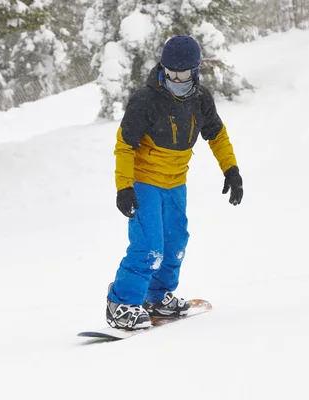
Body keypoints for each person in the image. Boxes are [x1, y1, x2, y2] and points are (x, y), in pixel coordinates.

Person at [106, 35, 244, 330]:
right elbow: (124, 145)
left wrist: (231, 170)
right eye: (170, 72)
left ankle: (157, 298)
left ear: (195, 70)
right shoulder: (145, 100)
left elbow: (216, 135)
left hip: (176, 183)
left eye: (183, 73)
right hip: (145, 183)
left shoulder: (200, 98)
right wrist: (124, 186)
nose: (176, 78)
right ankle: (121, 303)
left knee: (175, 243)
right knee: (149, 246)